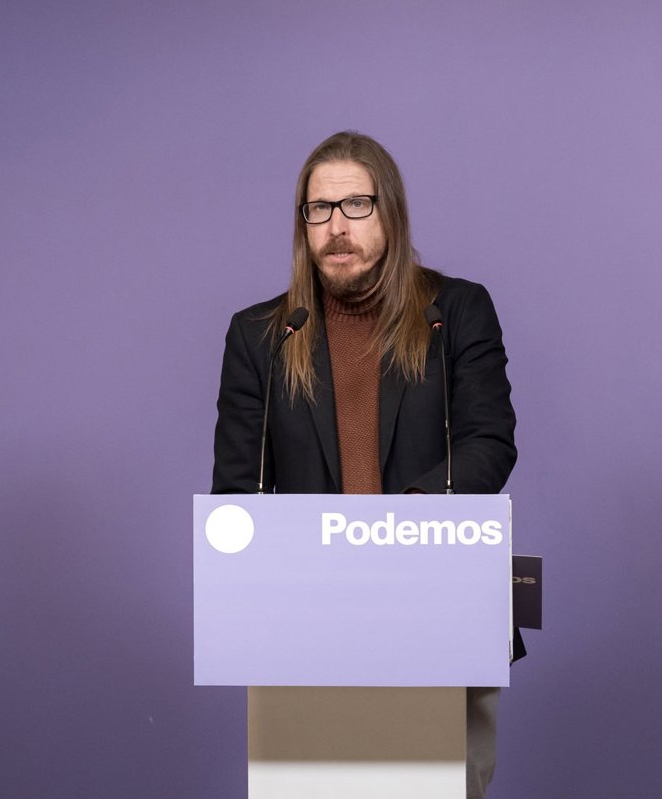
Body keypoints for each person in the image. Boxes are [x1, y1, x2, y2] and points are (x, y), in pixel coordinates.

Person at [210, 130, 517, 799]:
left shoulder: (457, 312)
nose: (336, 226)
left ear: (391, 212)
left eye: (355, 205)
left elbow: (490, 443)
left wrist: (396, 528)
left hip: (439, 607)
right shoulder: (262, 336)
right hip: (306, 624)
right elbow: (237, 494)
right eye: (318, 209)